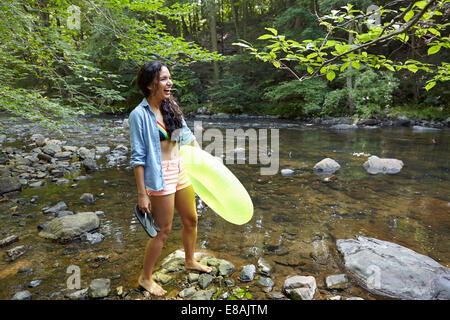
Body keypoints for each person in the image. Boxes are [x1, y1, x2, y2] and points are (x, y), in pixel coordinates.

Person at [129, 61, 212, 296]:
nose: (169, 82)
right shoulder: (139, 115)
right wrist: (142, 193)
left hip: (181, 169)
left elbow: (185, 136)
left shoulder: (171, 105)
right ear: (149, 84)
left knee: (191, 220)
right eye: (164, 79)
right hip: (159, 175)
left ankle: (189, 261)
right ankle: (145, 277)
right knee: (163, 230)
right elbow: (137, 156)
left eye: (169, 78)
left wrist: (205, 162)